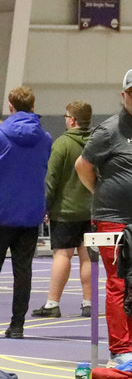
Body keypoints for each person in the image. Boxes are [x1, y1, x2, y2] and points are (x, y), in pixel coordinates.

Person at [75, 68, 132, 364]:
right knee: (119, 283)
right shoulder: (109, 130)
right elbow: (82, 166)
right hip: (114, 219)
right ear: (123, 96)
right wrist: (101, 194)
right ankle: (120, 350)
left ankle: (125, 347)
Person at [32, 102, 93, 319]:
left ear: (73, 120)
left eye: (66, 116)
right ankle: (88, 303)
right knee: (87, 257)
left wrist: (45, 206)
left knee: (62, 255)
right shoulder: (96, 143)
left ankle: (52, 303)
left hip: (65, 211)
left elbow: (51, 179)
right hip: (91, 211)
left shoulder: (62, 144)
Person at [0, 87, 52, 338]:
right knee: (23, 272)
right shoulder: (46, 139)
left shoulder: (1, 135)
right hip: (31, 215)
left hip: (1, 213)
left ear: (11, 106)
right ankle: (18, 324)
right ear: (33, 106)